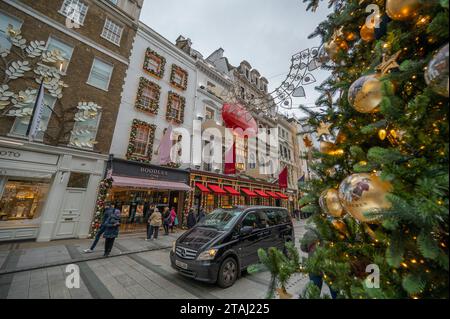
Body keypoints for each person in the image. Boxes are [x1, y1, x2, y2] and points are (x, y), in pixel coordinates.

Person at [300, 226, 338, 299]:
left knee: (315, 290)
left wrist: (311, 250)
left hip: (314, 265)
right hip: (329, 265)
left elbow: (302, 247)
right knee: (334, 290)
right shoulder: (331, 232)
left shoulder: (309, 233)